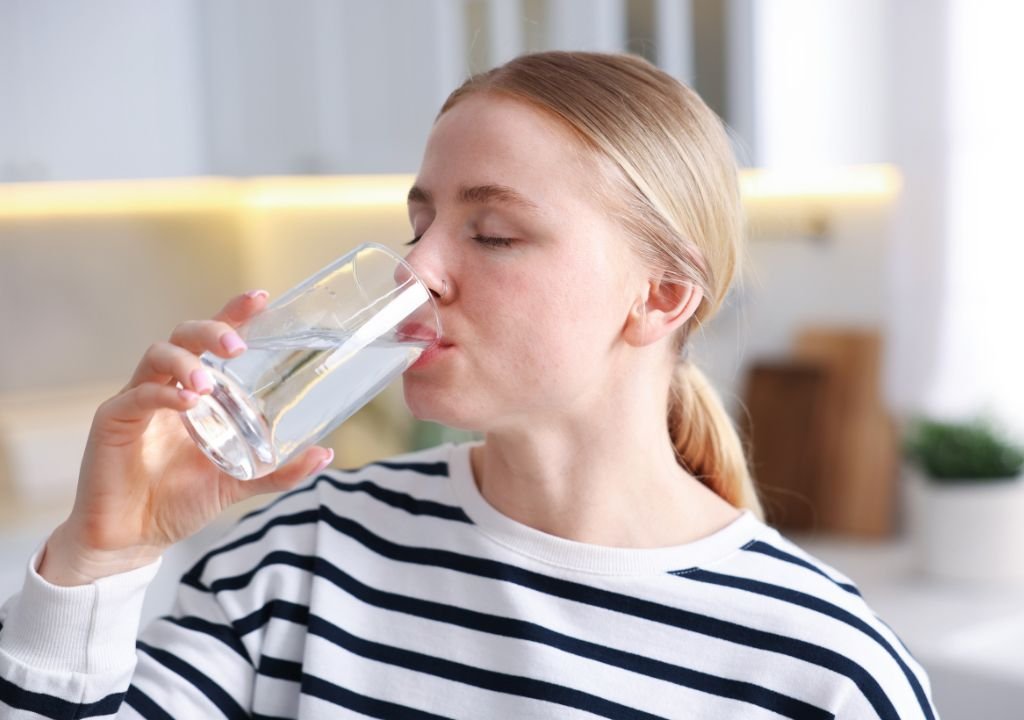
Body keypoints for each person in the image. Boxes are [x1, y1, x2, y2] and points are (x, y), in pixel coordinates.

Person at [0, 51, 937, 719]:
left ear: (659, 297)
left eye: (492, 234)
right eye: (419, 225)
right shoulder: (302, 553)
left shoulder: (823, 671)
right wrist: (97, 557)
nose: (418, 271)